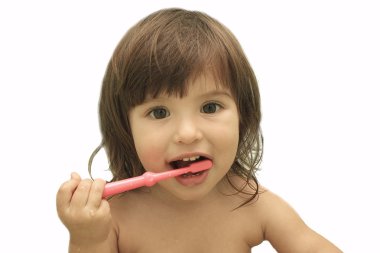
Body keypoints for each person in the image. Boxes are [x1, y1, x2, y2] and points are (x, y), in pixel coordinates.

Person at [56, 8, 342, 253]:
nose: (188, 133)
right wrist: (86, 237)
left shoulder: (250, 202)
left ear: (243, 115)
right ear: (124, 128)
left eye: (210, 108)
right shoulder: (114, 215)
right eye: (159, 112)